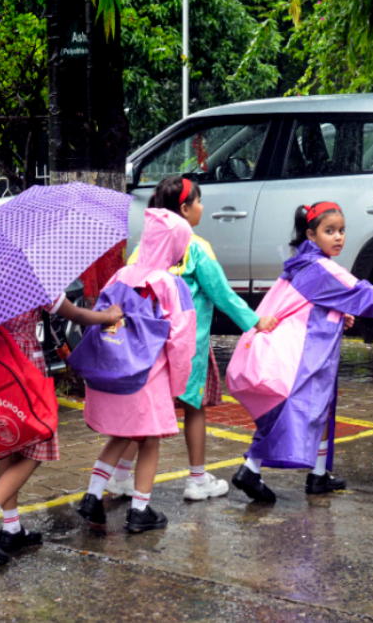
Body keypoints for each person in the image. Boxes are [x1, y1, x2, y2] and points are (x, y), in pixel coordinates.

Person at [228, 202, 373, 502]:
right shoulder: (322, 268)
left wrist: (338, 314)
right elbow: (362, 294)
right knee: (294, 412)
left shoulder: (301, 263)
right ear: (311, 235)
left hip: (294, 351)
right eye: (330, 231)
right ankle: (251, 468)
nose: (338, 237)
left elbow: (311, 302)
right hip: (303, 355)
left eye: (341, 230)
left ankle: (318, 474)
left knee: (319, 410)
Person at [110, 176, 276, 502]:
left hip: (151, 346)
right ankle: (197, 480)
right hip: (189, 345)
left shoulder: (144, 248)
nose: (202, 207)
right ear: (185, 209)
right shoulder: (197, 247)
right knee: (194, 408)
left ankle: (120, 476)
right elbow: (222, 294)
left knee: (143, 411)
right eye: (198, 201)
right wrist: (256, 321)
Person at [0, 295, 123, 562]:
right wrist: (109, 316)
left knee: (9, 446)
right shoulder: (31, 281)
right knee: (38, 443)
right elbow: (76, 314)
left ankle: (11, 528)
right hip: (23, 368)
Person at [76, 208, 197, 533]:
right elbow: (182, 340)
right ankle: (140, 510)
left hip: (113, 370)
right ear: (175, 246)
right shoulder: (171, 284)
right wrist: (178, 385)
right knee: (149, 441)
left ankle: (92, 496)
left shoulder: (121, 274)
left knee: (121, 434)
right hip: (148, 378)